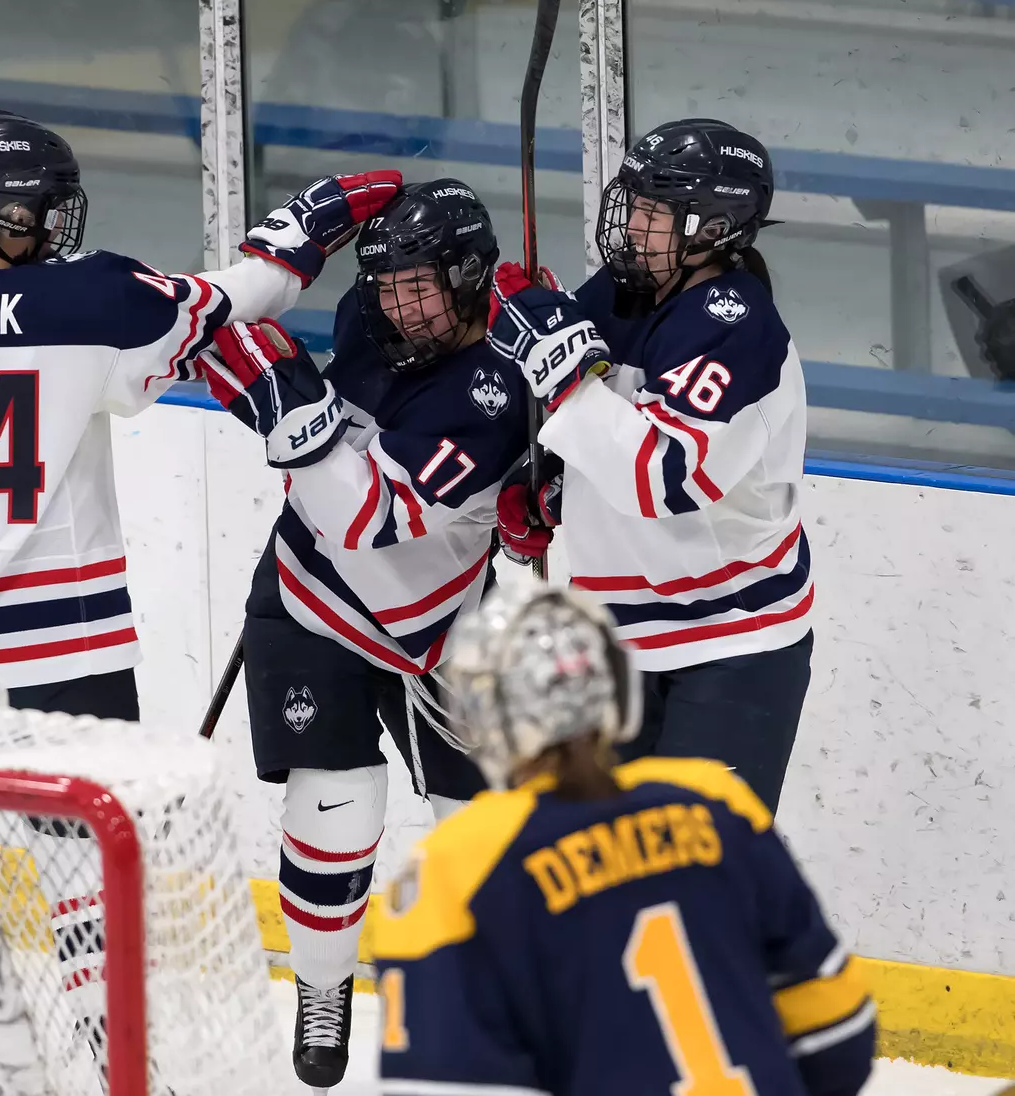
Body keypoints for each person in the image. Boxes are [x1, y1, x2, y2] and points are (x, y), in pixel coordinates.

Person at [0, 108, 398, 1094]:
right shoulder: (92, 300)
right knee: (83, 856)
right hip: (59, 651)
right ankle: (117, 1064)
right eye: (48, 211)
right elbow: (242, 296)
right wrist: (315, 221)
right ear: (14, 214)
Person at [199, 180, 526, 1089]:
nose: (396, 304)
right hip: (308, 602)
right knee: (333, 812)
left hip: (439, 625)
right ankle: (322, 987)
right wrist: (271, 267)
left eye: (418, 285)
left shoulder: (494, 385)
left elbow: (369, 516)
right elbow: (212, 331)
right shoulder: (368, 315)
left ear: (466, 277)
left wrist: (291, 416)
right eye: (382, 283)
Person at [373, 583, 875, 1096]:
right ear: (618, 689)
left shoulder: (459, 863)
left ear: (482, 714)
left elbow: (443, 1085)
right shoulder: (716, 802)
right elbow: (840, 1038)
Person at [491, 118, 811, 811]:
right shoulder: (625, 288)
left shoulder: (736, 326)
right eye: (632, 205)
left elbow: (660, 476)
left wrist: (561, 374)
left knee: (700, 878)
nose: (632, 226)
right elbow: (580, 410)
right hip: (624, 635)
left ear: (713, 226)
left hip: (731, 638)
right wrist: (547, 479)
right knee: (609, 870)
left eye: (653, 212)